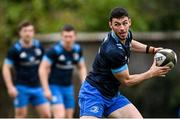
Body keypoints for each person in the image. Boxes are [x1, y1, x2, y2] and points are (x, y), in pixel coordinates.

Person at [78, 7, 171, 118]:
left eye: (124, 23)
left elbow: (130, 43)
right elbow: (127, 81)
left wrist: (153, 50)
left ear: (129, 22)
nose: (122, 28)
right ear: (110, 25)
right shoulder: (112, 51)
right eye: (117, 24)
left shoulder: (125, 34)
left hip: (112, 96)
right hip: (93, 94)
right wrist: (151, 72)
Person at [2, 21, 51, 118]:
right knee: (21, 115)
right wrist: (10, 87)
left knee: (47, 114)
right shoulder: (15, 49)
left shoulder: (38, 46)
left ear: (33, 32)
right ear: (20, 33)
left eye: (30, 31)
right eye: (25, 31)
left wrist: (46, 86)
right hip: (21, 87)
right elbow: (6, 67)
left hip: (37, 87)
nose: (28, 33)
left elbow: (45, 65)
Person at [39, 24, 87, 118]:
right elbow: (42, 69)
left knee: (69, 116)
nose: (68, 39)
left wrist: (84, 83)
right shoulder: (54, 50)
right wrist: (46, 89)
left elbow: (81, 67)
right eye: (66, 36)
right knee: (60, 116)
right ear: (62, 36)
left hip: (68, 87)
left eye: (70, 36)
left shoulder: (77, 50)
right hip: (54, 87)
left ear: (75, 37)